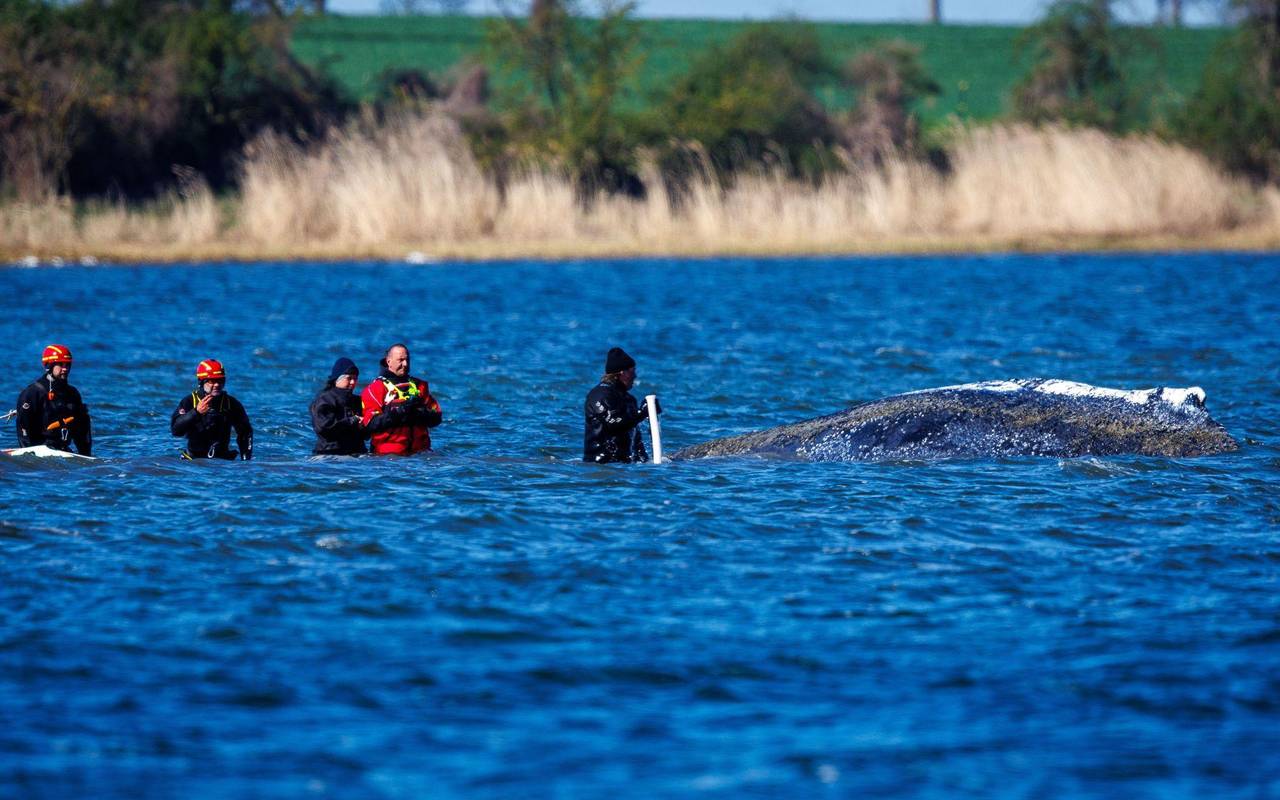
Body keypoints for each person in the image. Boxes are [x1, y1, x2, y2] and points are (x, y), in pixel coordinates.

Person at [360, 343, 442, 456]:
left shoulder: (420, 386)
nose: (405, 364)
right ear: (389, 361)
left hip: (420, 455)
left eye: (407, 360)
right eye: (401, 360)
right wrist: (398, 412)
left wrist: (419, 412)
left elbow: (436, 417)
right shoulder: (375, 389)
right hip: (387, 457)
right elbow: (370, 425)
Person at [583, 346, 659, 464]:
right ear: (622, 373)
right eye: (632, 371)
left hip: (625, 465)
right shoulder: (599, 395)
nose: (635, 376)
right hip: (600, 464)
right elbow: (613, 423)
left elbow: (636, 440)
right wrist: (642, 413)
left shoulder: (629, 399)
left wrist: (646, 463)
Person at [15, 344, 92, 455]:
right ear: (49, 366)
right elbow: (23, 426)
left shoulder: (73, 393)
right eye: (61, 364)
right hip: (39, 450)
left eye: (67, 365)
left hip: (63, 450)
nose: (65, 369)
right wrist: (29, 454)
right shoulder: (33, 393)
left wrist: (86, 456)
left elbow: (81, 428)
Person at [170, 359, 253, 460]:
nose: (217, 385)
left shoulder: (231, 404)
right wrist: (196, 412)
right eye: (211, 381)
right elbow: (176, 431)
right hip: (194, 460)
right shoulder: (190, 401)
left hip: (221, 461)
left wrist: (245, 461)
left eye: (220, 380)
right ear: (201, 382)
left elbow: (245, 433)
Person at [310, 357, 367, 456]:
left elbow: (366, 435)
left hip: (357, 454)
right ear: (337, 379)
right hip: (329, 453)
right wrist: (352, 420)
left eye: (355, 378)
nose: (353, 382)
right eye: (349, 378)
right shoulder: (325, 399)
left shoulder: (357, 401)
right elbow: (324, 427)